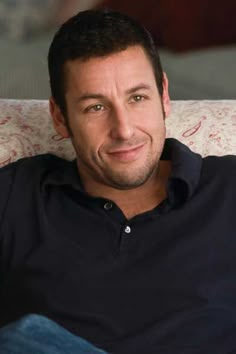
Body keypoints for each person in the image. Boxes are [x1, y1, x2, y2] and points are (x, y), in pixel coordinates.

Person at [0, 9, 236, 354]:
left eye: (137, 98)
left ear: (164, 95)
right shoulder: (16, 196)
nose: (124, 130)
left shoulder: (228, 188)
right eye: (95, 107)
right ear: (60, 117)